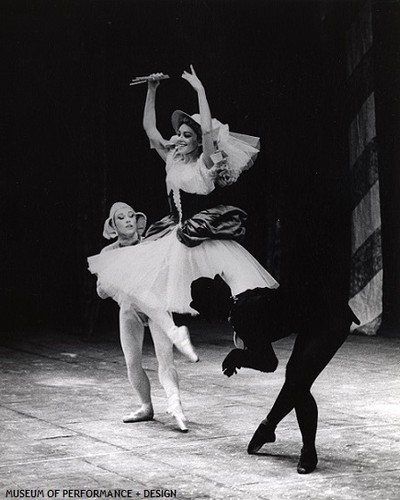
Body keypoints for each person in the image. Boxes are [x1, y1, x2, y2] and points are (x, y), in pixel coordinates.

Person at [87, 66, 278, 370]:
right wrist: (151, 91)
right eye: (179, 133)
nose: (179, 138)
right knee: (148, 286)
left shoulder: (206, 163)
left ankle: (246, 335)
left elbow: (209, 136)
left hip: (200, 233)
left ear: (199, 142)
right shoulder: (172, 158)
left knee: (236, 282)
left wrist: (200, 91)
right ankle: (172, 338)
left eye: (187, 135)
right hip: (175, 233)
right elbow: (150, 131)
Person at [190, 274, 359, 474]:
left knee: (298, 384)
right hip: (316, 319)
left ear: (213, 307)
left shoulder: (242, 314)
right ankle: (268, 428)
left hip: (331, 319)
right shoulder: (241, 304)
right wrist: (241, 355)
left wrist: (238, 356)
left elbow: (269, 363)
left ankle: (307, 450)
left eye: (205, 311)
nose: (206, 317)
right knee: (295, 377)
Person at [97, 202, 189, 432]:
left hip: (156, 306)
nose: (128, 220)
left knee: (165, 358)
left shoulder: (150, 245)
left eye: (131, 216)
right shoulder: (108, 253)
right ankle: (146, 406)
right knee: (132, 361)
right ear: (113, 225)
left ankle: (174, 402)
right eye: (121, 218)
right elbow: (101, 291)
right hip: (129, 309)